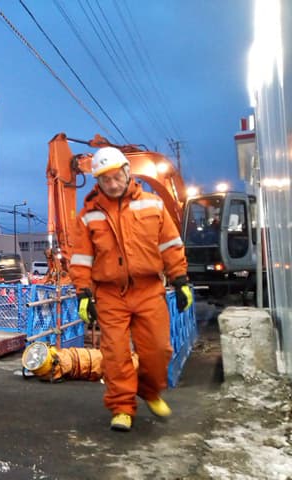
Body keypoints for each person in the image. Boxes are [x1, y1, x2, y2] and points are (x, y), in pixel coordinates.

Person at [68, 146, 193, 433]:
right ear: (98, 182)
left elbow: (170, 245)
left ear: (127, 172)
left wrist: (180, 279)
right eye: (105, 180)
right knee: (115, 354)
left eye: (116, 177)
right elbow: (81, 258)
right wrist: (83, 294)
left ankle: (150, 391)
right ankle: (122, 407)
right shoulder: (88, 216)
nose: (112, 184)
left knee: (158, 350)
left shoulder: (153, 204)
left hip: (148, 289)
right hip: (110, 294)